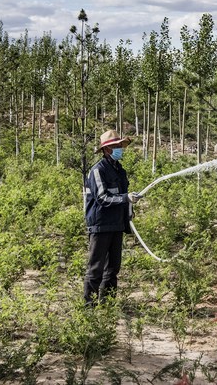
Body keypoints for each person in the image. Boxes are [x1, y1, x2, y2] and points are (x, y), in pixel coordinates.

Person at [83, 129, 141, 304]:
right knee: (96, 268)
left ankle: (107, 304)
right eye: (116, 146)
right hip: (100, 225)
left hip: (117, 224)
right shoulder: (97, 171)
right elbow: (102, 198)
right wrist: (125, 198)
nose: (119, 149)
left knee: (113, 267)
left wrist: (129, 206)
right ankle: (89, 306)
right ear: (107, 150)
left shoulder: (120, 170)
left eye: (120, 146)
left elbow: (122, 196)